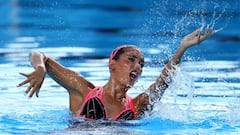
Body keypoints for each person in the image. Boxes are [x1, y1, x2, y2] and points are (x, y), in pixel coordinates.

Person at [17, 27, 215, 120]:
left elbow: (163, 82)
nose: (137, 67)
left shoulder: (137, 106)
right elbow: (38, 54)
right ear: (112, 64)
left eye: (141, 64)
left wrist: (182, 48)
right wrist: (40, 68)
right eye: (131, 59)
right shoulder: (82, 90)